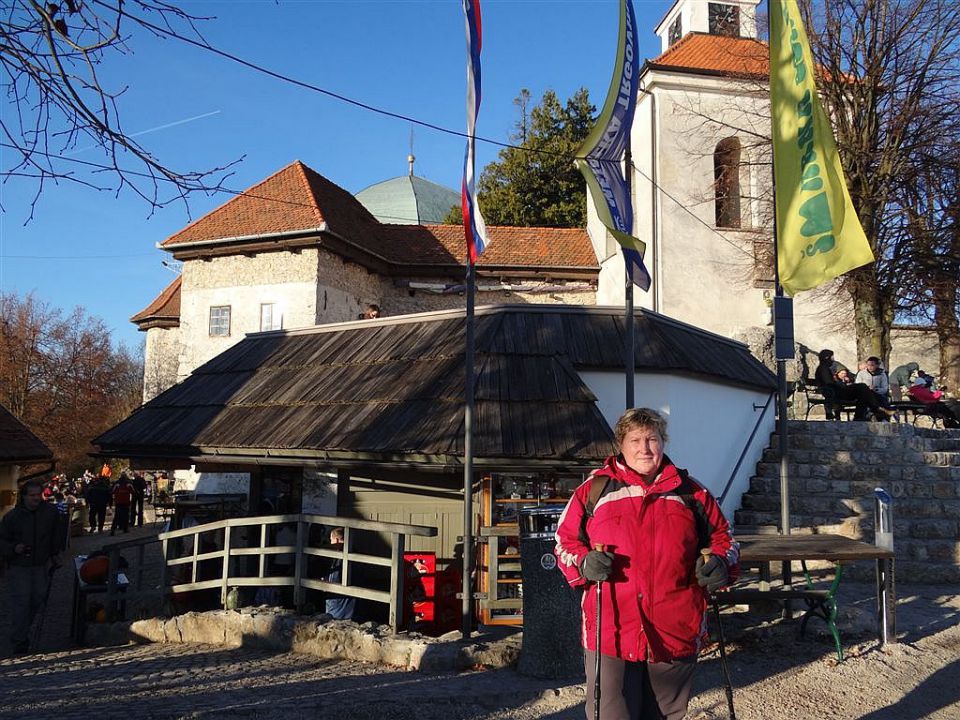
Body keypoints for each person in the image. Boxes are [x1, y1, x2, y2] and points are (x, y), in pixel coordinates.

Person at [554, 408, 739, 720]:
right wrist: (584, 563)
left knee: (666, 714)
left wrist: (720, 563)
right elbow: (563, 541)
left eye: (652, 439)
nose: (644, 448)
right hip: (611, 625)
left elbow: (726, 538)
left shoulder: (691, 491)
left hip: (675, 623)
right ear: (621, 445)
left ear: (663, 443)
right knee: (610, 713)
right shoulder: (594, 490)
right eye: (635, 440)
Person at [0, 480, 64, 655]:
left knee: (37, 600)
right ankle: (19, 641)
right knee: (22, 603)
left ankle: (22, 631)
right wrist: (14, 548)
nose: (37, 498)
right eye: (33, 495)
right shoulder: (12, 517)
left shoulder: (50, 513)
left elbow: (56, 535)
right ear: (24, 496)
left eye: (39, 495)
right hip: (19, 565)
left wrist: (55, 554)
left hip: (41, 564)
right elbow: (2, 541)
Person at [814, 349, 895, 421]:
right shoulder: (823, 369)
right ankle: (878, 408)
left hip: (837, 391)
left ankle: (860, 417)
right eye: (832, 358)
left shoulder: (823, 368)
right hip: (836, 393)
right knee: (862, 387)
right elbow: (830, 384)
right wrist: (842, 385)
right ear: (826, 358)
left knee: (863, 394)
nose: (833, 360)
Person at [324, 527, 356, 620]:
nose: (330, 543)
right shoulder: (352, 552)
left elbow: (336, 577)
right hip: (349, 605)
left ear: (337, 540)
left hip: (338, 604)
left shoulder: (340, 557)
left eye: (331, 540)